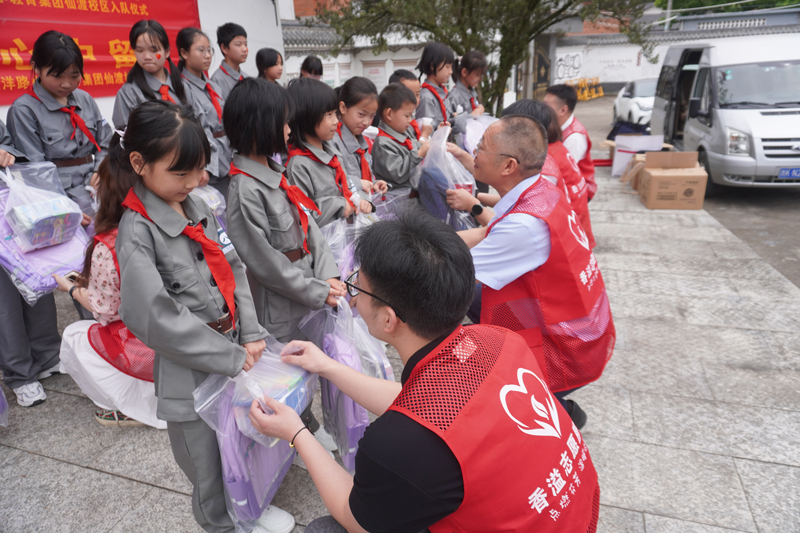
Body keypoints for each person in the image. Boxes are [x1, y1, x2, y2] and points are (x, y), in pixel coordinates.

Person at [247, 211, 601, 533]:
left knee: (326, 530)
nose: (352, 298)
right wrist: (326, 366)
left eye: (357, 287)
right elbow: (419, 407)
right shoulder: (494, 339)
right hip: (576, 514)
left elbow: (355, 519)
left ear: (388, 319)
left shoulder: (398, 446)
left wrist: (296, 433)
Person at [114, 101, 281, 533]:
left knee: (240, 446)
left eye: (199, 170)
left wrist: (250, 330)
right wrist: (226, 357)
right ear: (139, 163)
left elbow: (233, 268)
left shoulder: (197, 206)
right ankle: (224, 525)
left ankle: (250, 509)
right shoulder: (137, 230)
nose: (193, 182)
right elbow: (153, 314)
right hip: (189, 373)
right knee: (205, 466)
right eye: (179, 172)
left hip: (233, 350)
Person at [459, 115, 615, 428]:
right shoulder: (540, 191)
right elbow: (486, 234)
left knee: (459, 296)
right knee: (476, 297)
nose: (473, 154)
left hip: (568, 347)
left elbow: (455, 270)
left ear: (508, 166)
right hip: (585, 327)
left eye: (480, 148)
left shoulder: (525, 225)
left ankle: (559, 411)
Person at [53, 134, 162, 429]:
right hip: (185, 339)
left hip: (145, 350)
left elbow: (105, 310)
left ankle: (127, 406)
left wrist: (73, 289)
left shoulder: (109, 245)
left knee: (77, 333)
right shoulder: (167, 225)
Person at [225, 78, 345, 343]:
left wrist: (327, 274)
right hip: (282, 306)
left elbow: (309, 227)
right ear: (261, 126)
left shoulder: (276, 175)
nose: (290, 129)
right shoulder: (245, 190)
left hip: (310, 287)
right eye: (284, 122)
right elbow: (266, 264)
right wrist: (316, 290)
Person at [8, 30, 112, 215]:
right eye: (57, 76)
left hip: (99, 186)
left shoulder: (85, 99)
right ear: (36, 68)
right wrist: (65, 210)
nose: (66, 84)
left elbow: (106, 142)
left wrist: (100, 171)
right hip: (62, 198)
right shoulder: (24, 110)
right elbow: (35, 171)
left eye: (74, 76)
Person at [0, 120, 62, 408]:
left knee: (36, 279)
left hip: (8, 206)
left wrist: (5, 151)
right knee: (5, 302)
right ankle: (20, 375)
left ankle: (48, 354)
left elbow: (9, 143)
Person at [503, 99, 595, 249]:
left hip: (566, 239)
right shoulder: (555, 148)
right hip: (575, 227)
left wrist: (475, 205)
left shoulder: (543, 167)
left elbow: (522, 218)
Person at [286, 78, 371, 228]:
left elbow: (346, 185)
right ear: (307, 117)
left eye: (335, 114)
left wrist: (360, 201)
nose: (336, 121)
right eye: (328, 115)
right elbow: (304, 216)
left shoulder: (332, 152)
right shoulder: (300, 165)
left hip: (345, 236)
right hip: (326, 243)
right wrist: (338, 205)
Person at [177, 27, 233, 196]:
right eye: (201, 50)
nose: (207, 55)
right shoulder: (182, 88)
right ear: (184, 53)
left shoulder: (213, 87)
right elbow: (198, 130)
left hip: (228, 157)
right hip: (210, 166)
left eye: (209, 50)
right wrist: (205, 167)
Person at [112, 20, 194, 129]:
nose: (147, 56)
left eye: (154, 50)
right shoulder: (128, 94)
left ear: (167, 52)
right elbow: (125, 136)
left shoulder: (183, 86)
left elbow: (199, 123)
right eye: (140, 50)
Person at [330, 77, 387, 196]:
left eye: (371, 116)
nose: (366, 122)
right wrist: (360, 184)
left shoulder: (361, 140)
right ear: (343, 108)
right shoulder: (333, 141)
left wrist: (374, 184)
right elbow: (333, 182)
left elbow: (364, 177)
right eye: (361, 114)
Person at [371, 83, 430, 191]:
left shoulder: (403, 132)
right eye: (407, 116)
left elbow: (415, 146)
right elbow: (398, 174)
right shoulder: (383, 143)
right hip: (398, 196)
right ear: (389, 114)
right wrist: (419, 153)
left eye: (411, 115)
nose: (410, 120)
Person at [544, 84, 597, 200]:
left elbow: (560, 172)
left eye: (546, 106)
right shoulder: (559, 126)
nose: (542, 109)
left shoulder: (574, 137)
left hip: (579, 190)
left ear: (563, 110)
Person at [416, 42, 455, 129]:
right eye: (447, 67)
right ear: (432, 66)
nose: (451, 71)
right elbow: (426, 131)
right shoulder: (426, 97)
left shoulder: (442, 92)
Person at [387, 69, 432, 142]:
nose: (415, 100)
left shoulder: (411, 117)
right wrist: (424, 136)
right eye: (409, 95)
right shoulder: (397, 123)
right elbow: (411, 151)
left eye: (417, 94)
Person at [211, 22, 249, 99]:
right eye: (238, 44)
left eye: (245, 44)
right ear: (224, 48)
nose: (244, 49)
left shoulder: (246, 77)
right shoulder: (216, 81)